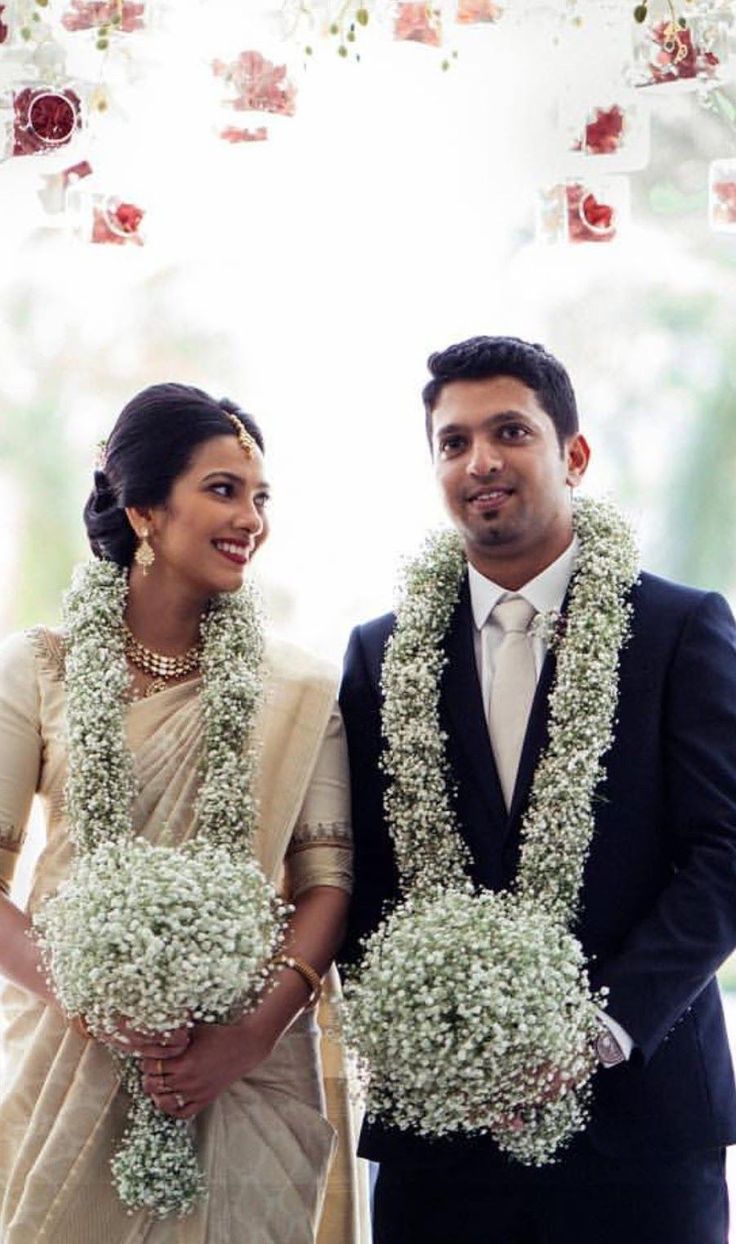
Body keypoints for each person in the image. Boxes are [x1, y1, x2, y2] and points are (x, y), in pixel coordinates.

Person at [340, 335, 736, 1244]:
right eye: (453, 441)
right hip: (441, 1136)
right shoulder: (379, 652)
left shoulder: (678, 628)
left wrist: (593, 1032)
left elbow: (724, 856)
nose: (480, 460)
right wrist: (435, 1039)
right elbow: (364, 873)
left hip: (641, 1124)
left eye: (510, 431)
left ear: (574, 454)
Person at [0, 383, 359, 1244]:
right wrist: (92, 1001)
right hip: (67, 1049)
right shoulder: (40, 668)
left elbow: (328, 884)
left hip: (249, 1071)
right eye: (224, 489)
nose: (251, 519)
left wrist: (243, 1036)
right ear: (145, 511)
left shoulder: (298, 687)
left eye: (261, 496)